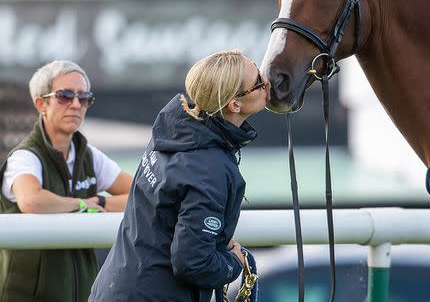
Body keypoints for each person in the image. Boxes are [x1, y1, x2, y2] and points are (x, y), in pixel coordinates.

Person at [89, 50, 269, 302]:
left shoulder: (172, 130)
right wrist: (234, 262)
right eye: (259, 81)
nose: (267, 81)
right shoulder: (211, 168)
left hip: (116, 288)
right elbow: (192, 262)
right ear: (234, 104)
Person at [0, 59, 134, 302]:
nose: (76, 104)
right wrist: (82, 204)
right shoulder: (24, 157)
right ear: (41, 103)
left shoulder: (90, 156)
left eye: (84, 97)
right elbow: (32, 201)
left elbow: (143, 194)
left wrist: (100, 204)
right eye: (64, 96)